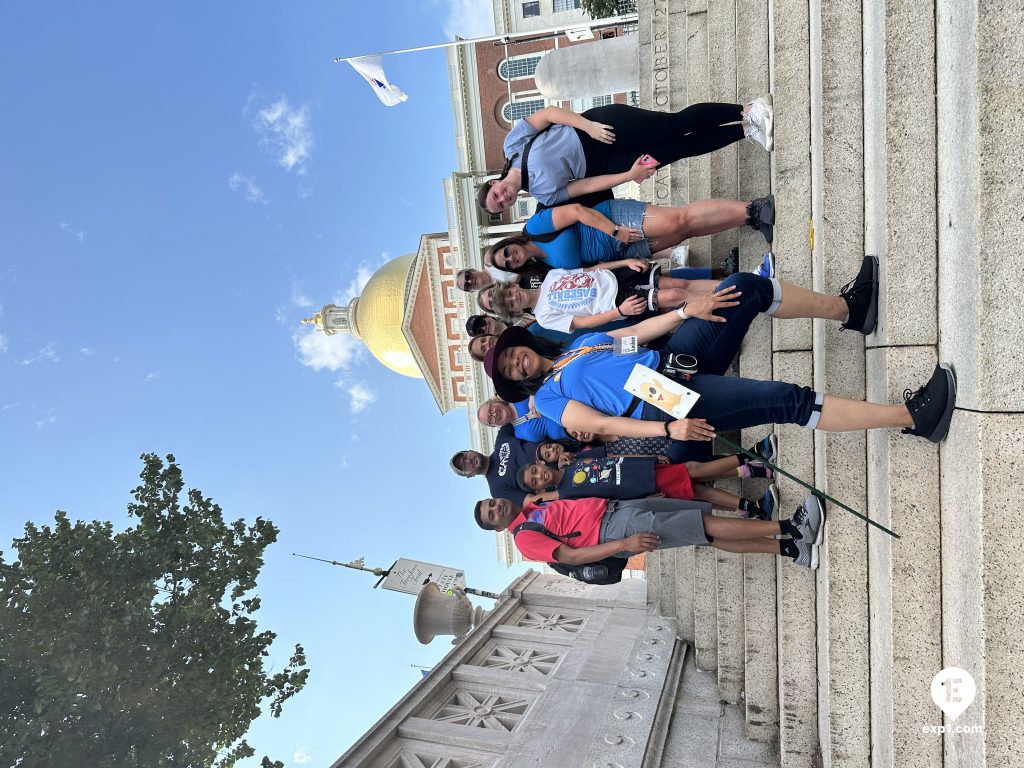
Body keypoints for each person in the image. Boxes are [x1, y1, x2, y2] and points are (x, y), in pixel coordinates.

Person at [481, 258, 957, 456]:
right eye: (509, 371)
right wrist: (667, 429)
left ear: (521, 343)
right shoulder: (547, 400)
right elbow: (604, 426)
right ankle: (912, 416)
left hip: (665, 360)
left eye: (511, 355)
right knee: (785, 400)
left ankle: (851, 309)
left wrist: (688, 309)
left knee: (739, 289)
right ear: (515, 382)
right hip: (658, 400)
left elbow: (633, 336)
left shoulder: (574, 348)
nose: (516, 363)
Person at [478, 99, 775, 213]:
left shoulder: (512, 146)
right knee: (678, 149)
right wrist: (629, 176)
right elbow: (585, 187)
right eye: (501, 205)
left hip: (599, 127)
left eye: (496, 195)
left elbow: (549, 114)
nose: (504, 198)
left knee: (674, 125)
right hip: (604, 163)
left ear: (494, 182)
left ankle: (746, 110)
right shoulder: (544, 195)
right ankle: (746, 130)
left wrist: (589, 125)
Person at [473, 490, 825, 569]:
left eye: (491, 503)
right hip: (615, 530)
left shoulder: (533, 507)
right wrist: (625, 542)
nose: (496, 507)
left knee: (708, 534)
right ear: (497, 527)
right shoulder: (525, 539)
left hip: (620, 510)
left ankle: (792, 551)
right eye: (492, 515)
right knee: (702, 525)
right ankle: (792, 528)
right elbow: (575, 555)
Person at [484, 197, 774, 273]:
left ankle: (753, 207)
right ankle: (746, 219)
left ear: (510, 244)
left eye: (506, 253)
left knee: (678, 219)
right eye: (508, 264)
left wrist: (615, 231)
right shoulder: (546, 268)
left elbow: (575, 211)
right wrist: (624, 263)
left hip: (614, 220)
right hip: (622, 252)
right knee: (684, 231)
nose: (512, 259)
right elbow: (590, 269)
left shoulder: (534, 230)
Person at [516, 453, 778, 521]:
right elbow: (607, 501)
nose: (539, 476)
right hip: (642, 486)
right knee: (694, 475)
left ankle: (750, 505)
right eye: (535, 481)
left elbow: (612, 460)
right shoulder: (567, 495)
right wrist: (647, 499)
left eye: (535, 471)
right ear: (539, 489)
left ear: (539, 463)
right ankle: (750, 459)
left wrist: (647, 459)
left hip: (643, 469)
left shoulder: (573, 462)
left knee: (696, 484)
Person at [479, 260, 719, 333]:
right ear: (514, 312)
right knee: (675, 295)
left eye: (510, 293)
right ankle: (719, 301)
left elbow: (589, 270)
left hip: (615, 275)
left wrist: (625, 262)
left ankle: (725, 286)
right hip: (615, 302)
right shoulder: (542, 317)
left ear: (512, 286)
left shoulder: (551, 275)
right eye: (510, 304)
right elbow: (582, 322)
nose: (514, 298)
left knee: (679, 282)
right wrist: (619, 312)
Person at [449, 424, 539, 507]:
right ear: (469, 475)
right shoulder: (497, 491)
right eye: (465, 466)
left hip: (550, 445)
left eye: (465, 456)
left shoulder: (501, 438)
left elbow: (512, 412)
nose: (469, 460)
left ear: (471, 451)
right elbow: (529, 501)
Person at [477, 396, 568, 443]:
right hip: (574, 432)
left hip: (571, 401)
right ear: (494, 426)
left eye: (491, 409)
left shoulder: (516, 395)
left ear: (493, 402)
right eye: (490, 419)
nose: (494, 414)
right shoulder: (519, 436)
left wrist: (533, 393)